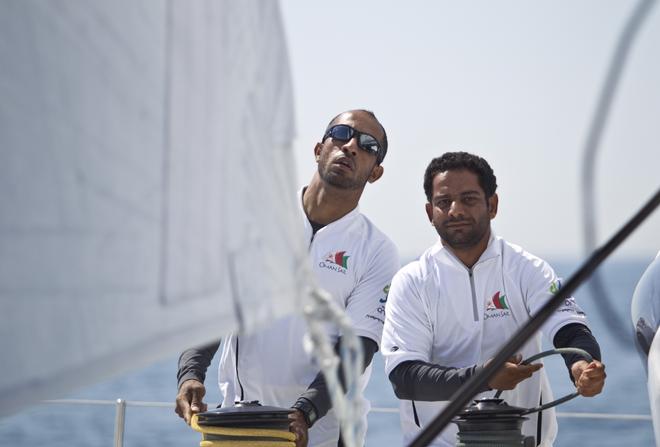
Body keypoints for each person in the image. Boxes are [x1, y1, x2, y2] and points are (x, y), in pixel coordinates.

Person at [175, 110, 399, 447]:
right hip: (236, 424)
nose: (351, 146)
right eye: (341, 133)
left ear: (376, 173)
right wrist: (190, 374)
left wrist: (306, 411)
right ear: (318, 148)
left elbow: (357, 349)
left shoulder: (378, 250)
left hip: (320, 434)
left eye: (368, 145)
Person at [381, 152, 606, 447]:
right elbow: (405, 376)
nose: (455, 210)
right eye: (443, 202)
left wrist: (580, 366)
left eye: (469, 199)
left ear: (493, 205)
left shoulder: (528, 269)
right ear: (429, 211)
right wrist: (483, 377)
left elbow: (570, 329)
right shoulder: (411, 282)